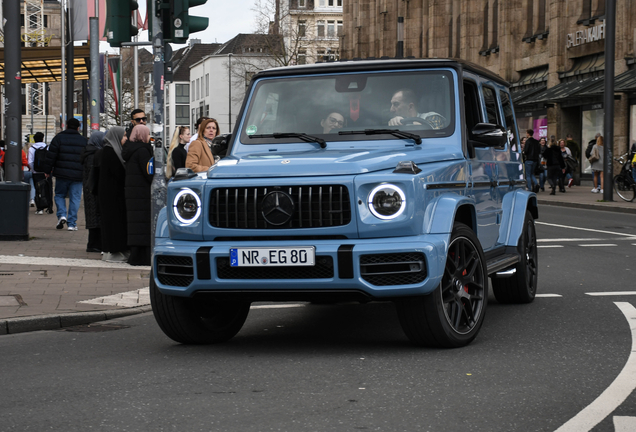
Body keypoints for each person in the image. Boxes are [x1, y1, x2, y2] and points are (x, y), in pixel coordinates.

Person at [42, 118, 87, 231]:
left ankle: (61, 215)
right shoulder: (84, 140)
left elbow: (51, 156)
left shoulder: (58, 138)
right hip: (78, 174)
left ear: (66, 126)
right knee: (75, 198)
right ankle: (72, 223)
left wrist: (47, 170)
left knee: (59, 195)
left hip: (62, 174)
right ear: (78, 128)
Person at [122, 125, 154, 266]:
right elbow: (149, 172)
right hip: (142, 192)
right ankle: (143, 257)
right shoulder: (143, 151)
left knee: (135, 224)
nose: (149, 137)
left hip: (132, 192)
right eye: (147, 134)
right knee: (143, 224)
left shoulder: (130, 150)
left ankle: (135, 255)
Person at [97, 127, 129, 263]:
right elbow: (119, 173)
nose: (126, 139)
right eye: (124, 136)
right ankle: (115, 251)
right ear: (117, 137)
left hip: (110, 195)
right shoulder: (110, 153)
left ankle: (114, 249)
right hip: (112, 196)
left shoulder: (110, 151)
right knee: (114, 222)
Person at [80, 131, 105, 253]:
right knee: (95, 217)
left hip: (89, 188)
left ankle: (93, 243)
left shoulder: (88, 152)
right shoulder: (93, 154)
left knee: (92, 217)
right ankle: (94, 244)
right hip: (93, 190)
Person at [28, 132, 54, 215]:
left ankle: (39, 208)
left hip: (37, 173)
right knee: (48, 188)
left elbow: (30, 162)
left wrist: (33, 170)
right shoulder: (48, 147)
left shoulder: (32, 149)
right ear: (43, 138)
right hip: (47, 172)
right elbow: (51, 160)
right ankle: (49, 207)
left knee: (38, 189)